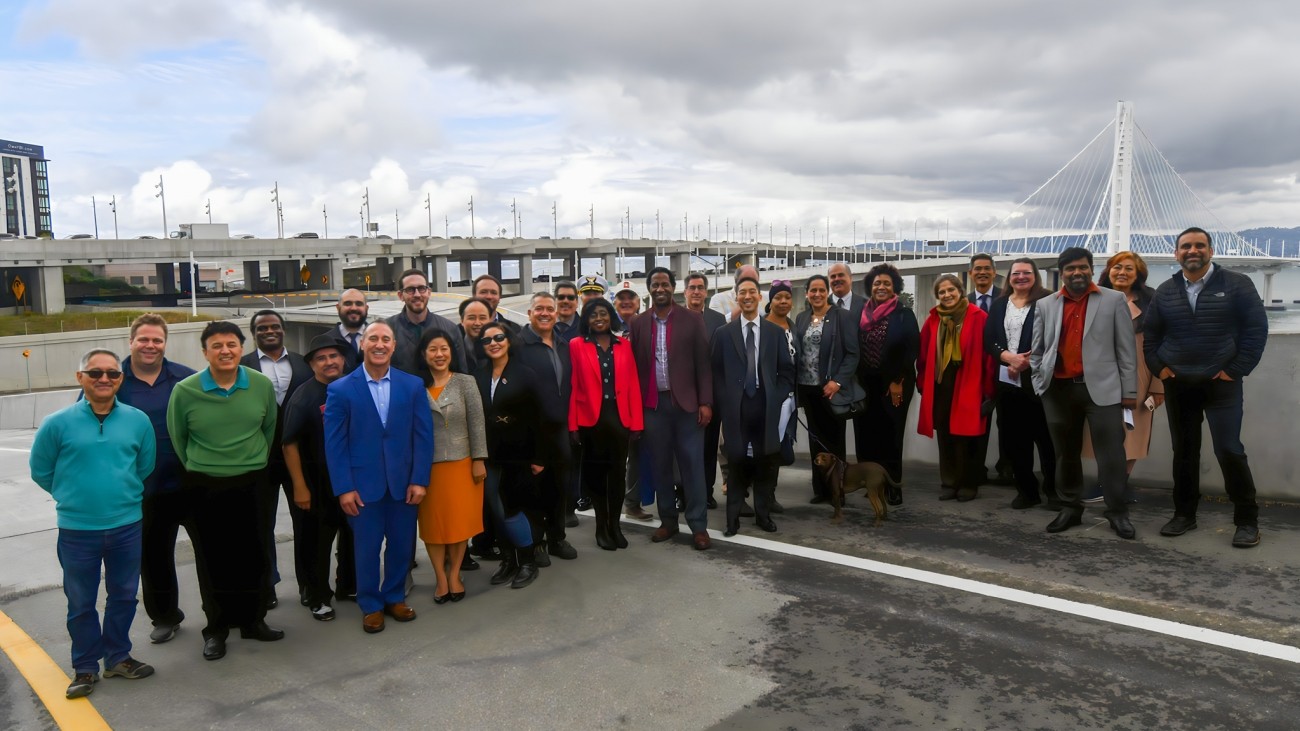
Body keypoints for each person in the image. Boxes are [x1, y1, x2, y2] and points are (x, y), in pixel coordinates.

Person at [31, 349, 157, 699]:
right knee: (81, 602)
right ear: (80, 377)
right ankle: (85, 667)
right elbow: (41, 470)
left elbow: (144, 466)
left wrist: (120, 495)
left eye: (112, 374)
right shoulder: (57, 423)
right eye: (95, 373)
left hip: (126, 525)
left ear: (121, 379)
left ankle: (117, 657)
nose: (104, 379)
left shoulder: (137, 421)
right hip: (76, 530)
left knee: (124, 596)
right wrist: (73, 496)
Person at [1144, 226, 1268, 548]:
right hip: (1179, 384)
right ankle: (1184, 514)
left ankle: (1246, 520)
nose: (1192, 251)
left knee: (1229, 449)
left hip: (1221, 384)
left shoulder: (1237, 284)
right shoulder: (1165, 291)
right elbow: (1152, 336)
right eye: (1186, 246)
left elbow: (1256, 330)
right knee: (1184, 452)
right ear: (1177, 253)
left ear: (1211, 251)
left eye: (1200, 245)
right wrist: (1162, 369)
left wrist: (1235, 371)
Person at [167, 321, 283, 661]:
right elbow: (179, 439)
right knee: (213, 559)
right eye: (216, 345)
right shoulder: (185, 391)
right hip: (205, 485)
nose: (225, 351)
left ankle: (253, 621)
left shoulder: (260, 385)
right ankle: (216, 629)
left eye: (231, 344)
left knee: (255, 554)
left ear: (241, 348)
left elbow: (269, 428)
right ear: (205, 352)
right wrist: (208, 464)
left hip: (252, 482)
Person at [324, 322, 433, 633]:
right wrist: (344, 487)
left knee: (402, 545)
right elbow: (335, 444)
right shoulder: (341, 389)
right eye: (373, 338)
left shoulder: (412, 386)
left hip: (404, 484)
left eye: (386, 339)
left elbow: (422, 437)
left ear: (394, 346)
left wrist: (419, 479)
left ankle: (394, 596)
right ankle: (370, 604)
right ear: (363, 344)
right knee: (367, 548)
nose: (380, 344)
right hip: (362, 486)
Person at [1030, 247, 1138, 539]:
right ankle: (1070, 507)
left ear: (1091, 269)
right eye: (1070, 269)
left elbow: (1126, 350)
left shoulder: (1113, 300)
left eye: (1082, 267)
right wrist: (1040, 383)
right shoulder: (1045, 305)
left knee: (1112, 455)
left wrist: (1129, 391)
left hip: (1102, 391)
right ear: (1061, 273)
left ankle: (1117, 512)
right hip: (1058, 390)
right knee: (1065, 454)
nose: (1077, 273)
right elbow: (1038, 350)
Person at [113, 314, 197, 645]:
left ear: (165, 343)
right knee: (154, 557)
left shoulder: (186, 379)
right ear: (131, 341)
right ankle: (164, 616)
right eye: (143, 339)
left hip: (190, 483)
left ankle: (220, 615)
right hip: (143, 489)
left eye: (157, 340)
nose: (150, 345)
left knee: (210, 552)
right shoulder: (113, 380)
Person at [630, 267, 714, 551]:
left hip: (687, 405)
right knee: (661, 466)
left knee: (692, 467)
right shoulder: (639, 323)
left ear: (673, 287)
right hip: (653, 407)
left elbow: (703, 363)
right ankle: (668, 521)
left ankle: (698, 526)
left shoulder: (692, 320)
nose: (660, 288)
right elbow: (635, 369)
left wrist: (705, 402)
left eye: (665, 283)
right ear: (650, 289)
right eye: (655, 284)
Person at [281, 334, 357, 622]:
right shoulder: (304, 397)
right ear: (312, 364)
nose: (329, 362)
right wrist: (300, 486)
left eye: (334, 356)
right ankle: (318, 596)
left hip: (349, 481)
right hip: (317, 484)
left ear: (343, 359)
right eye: (321, 358)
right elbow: (289, 444)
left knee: (351, 537)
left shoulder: (353, 389)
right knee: (317, 544)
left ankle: (348, 585)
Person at [241, 309, 314, 610]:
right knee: (260, 525)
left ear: (283, 330)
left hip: (300, 456)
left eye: (275, 326)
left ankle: (309, 583)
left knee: (306, 523)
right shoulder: (242, 366)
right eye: (262, 328)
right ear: (253, 333)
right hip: (259, 458)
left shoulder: (303, 364)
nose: (269, 331)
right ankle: (266, 584)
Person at [713, 278, 796, 536]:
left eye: (752, 292)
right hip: (736, 409)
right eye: (742, 293)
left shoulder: (775, 333)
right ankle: (732, 519)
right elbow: (716, 373)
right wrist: (725, 400)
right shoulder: (723, 334)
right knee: (736, 462)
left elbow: (786, 371)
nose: (747, 296)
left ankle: (762, 515)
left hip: (765, 406)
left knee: (765, 463)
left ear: (759, 297)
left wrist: (776, 396)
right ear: (736, 298)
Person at [1082, 251, 1164, 503]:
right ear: (1108, 270)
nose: (1122, 273)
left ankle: (1118, 484)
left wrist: (1157, 385)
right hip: (1099, 377)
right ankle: (1106, 481)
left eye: (1129, 268)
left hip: (1140, 376)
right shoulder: (1092, 297)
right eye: (1117, 267)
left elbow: (1162, 345)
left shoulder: (1151, 302)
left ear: (1138, 274)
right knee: (1100, 431)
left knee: (1133, 434)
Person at [413, 328, 487, 602]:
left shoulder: (465, 382)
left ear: (451, 352)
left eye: (443, 348)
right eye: (433, 349)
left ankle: (454, 573)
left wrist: (479, 459)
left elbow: (477, 422)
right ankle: (440, 578)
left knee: (457, 524)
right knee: (433, 525)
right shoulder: (414, 385)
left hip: (462, 463)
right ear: (424, 354)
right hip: (427, 466)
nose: (439, 354)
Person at [474, 321, 546, 588]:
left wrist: (539, 456)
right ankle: (508, 560)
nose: (493, 343)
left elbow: (539, 417)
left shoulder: (526, 373)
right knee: (495, 508)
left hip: (520, 454)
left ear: (508, 340)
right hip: (489, 454)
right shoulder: (478, 375)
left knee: (514, 508)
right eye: (487, 340)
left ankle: (527, 561)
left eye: (499, 337)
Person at [569, 298, 644, 549]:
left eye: (603, 313)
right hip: (591, 420)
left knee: (617, 476)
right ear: (586, 320)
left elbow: (633, 385)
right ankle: (601, 528)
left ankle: (615, 526)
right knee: (596, 477)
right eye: (593, 315)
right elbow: (573, 386)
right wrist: (573, 425)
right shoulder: (576, 345)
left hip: (619, 418)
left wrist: (636, 423)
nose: (598, 318)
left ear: (611, 317)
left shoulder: (623, 345)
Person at [984, 259, 1058, 509]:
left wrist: (1027, 360)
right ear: (1009, 277)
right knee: (1015, 441)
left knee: (1047, 440)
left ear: (1035, 276)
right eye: (1016, 273)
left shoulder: (1048, 301)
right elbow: (990, 339)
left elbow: (1054, 336)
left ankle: (1054, 491)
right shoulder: (999, 304)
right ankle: (1027, 491)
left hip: (1040, 381)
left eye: (1027, 273)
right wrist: (1007, 357)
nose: (1021, 277)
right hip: (1008, 382)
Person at [916, 275, 994, 502]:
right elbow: (922, 355)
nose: (947, 295)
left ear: (960, 291)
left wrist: (989, 391)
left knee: (968, 437)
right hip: (941, 385)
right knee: (946, 437)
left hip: (969, 384)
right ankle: (949, 482)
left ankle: (969, 483)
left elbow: (989, 357)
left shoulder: (979, 317)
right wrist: (922, 382)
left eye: (951, 290)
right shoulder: (933, 320)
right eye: (942, 292)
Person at [516, 291, 578, 565]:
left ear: (556, 314)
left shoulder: (563, 344)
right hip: (532, 431)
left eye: (549, 309)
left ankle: (557, 537)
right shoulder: (519, 345)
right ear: (529, 313)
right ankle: (536, 541)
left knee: (558, 487)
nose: (545, 313)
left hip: (561, 429)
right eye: (538, 309)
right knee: (533, 490)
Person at [853, 264, 919, 498]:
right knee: (867, 435)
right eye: (877, 283)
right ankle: (871, 483)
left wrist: (897, 380)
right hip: (864, 384)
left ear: (894, 288)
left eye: (886, 284)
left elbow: (911, 350)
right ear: (871, 287)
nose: (881, 287)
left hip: (894, 384)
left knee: (891, 435)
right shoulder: (861, 313)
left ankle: (893, 487)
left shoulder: (903, 314)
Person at [794, 274, 859, 504]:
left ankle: (838, 491)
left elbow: (853, 354)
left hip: (830, 389)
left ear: (828, 291)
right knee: (815, 439)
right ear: (807, 293)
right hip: (808, 389)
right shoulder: (801, 318)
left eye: (822, 290)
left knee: (834, 440)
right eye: (813, 290)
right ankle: (820, 490)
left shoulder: (842, 317)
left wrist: (838, 381)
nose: (818, 294)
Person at [967, 252, 1011, 486]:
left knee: (1008, 423)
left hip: (1004, 371)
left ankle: (1007, 468)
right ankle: (976, 469)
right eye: (977, 269)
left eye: (987, 268)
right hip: (974, 375)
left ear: (994, 272)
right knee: (977, 423)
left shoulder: (1008, 300)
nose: (982, 272)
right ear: (971, 273)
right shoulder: (962, 302)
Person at [685, 272, 727, 510]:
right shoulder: (674, 316)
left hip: (712, 396)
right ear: (686, 292)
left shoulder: (718, 320)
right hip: (683, 396)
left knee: (709, 449)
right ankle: (685, 492)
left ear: (706, 292)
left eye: (701, 288)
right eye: (692, 288)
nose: (697, 292)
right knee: (685, 448)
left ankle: (707, 492)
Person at [386, 268, 462, 375]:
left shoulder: (450, 329)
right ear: (400, 295)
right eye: (410, 289)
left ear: (429, 292)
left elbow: (461, 373)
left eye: (422, 288)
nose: (417, 294)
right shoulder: (386, 330)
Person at [325, 288, 369, 373]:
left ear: (366, 308)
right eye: (348, 303)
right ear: (338, 308)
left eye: (359, 304)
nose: (353, 308)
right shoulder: (326, 341)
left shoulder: (379, 339)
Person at [458, 297, 493, 373]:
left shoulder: (500, 349)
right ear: (462, 321)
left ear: (490, 320)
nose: (477, 323)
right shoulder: (452, 350)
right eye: (471, 318)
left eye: (482, 318)